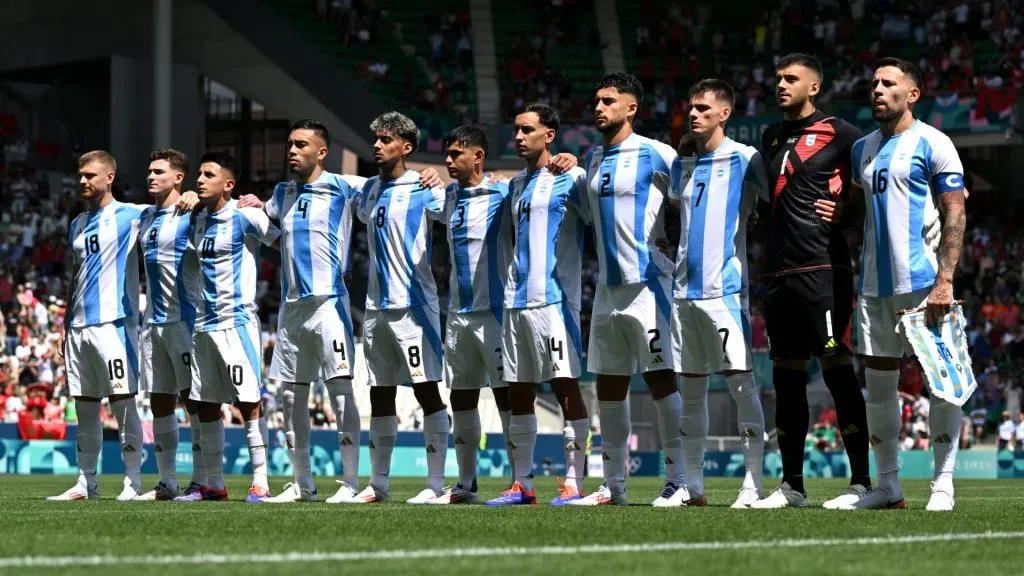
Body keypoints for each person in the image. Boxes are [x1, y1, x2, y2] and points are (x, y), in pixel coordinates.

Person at [237, 120, 441, 504]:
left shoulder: (347, 186)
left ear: (321, 152)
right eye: (290, 144)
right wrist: (246, 202)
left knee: (342, 393)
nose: (292, 151)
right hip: (291, 308)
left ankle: (350, 482)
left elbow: (394, 182)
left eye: (301, 145)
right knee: (292, 397)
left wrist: (429, 172)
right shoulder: (282, 193)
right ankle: (303, 483)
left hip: (331, 303)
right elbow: (264, 216)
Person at [840, 57, 968, 511]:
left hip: (925, 284)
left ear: (911, 95)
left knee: (941, 383)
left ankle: (943, 483)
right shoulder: (862, 150)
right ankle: (888, 486)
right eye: (873, 82)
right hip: (873, 285)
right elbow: (856, 211)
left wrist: (945, 280)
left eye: (888, 83)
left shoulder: (934, 142)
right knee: (877, 387)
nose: (877, 89)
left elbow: (955, 211)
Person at [751, 53, 872, 509]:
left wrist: (847, 213)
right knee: (786, 378)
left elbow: (869, 189)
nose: (780, 84)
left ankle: (861, 481)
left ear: (814, 87)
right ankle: (792, 486)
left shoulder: (842, 134)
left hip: (823, 269)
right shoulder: (771, 135)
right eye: (777, 78)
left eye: (790, 79)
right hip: (778, 274)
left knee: (838, 369)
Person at [571, 73, 687, 506]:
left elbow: (689, 201)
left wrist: (669, 251)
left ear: (631, 108)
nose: (598, 107)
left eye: (608, 101)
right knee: (609, 386)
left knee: (660, 380)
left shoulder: (658, 154)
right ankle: (612, 485)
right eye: (596, 100)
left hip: (649, 285)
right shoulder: (594, 158)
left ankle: (677, 479)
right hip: (606, 289)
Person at [666, 79, 768, 509]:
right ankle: (693, 485)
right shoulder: (680, 166)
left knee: (741, 386)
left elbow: (781, 200)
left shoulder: (747, 159)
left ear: (724, 113)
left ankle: (752, 483)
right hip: (682, 294)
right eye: (692, 107)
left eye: (704, 108)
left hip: (724, 293)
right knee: (690, 392)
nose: (694, 114)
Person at [485, 104, 591, 507]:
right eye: (515, 129)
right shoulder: (514, 187)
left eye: (527, 129)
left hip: (555, 301)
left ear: (550, 135)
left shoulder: (572, 177)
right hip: (515, 302)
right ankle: (523, 483)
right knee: (520, 391)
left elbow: (601, 212)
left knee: (566, 387)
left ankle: (573, 481)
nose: (518, 136)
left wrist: (579, 161)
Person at [347, 112, 450, 504]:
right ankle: (379, 484)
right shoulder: (369, 190)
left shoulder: (424, 187)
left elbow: (454, 208)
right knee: (380, 392)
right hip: (376, 307)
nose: (376, 145)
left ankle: (436, 484)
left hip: (415, 306)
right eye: (375, 138)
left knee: (427, 391)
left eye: (386, 139)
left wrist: (439, 177)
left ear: (406, 147)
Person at [48, 150, 152, 501]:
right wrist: (64, 322)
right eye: (80, 176)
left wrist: (186, 196)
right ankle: (85, 482)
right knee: (85, 406)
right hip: (79, 326)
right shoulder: (77, 223)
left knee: (123, 402)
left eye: (90, 175)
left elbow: (171, 209)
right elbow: (75, 275)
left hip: (114, 324)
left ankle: (132, 482)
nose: (83, 181)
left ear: (109, 177)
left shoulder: (132, 214)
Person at [182, 152, 280, 503]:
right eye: (199, 173)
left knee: (248, 401)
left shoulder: (246, 218)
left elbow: (284, 242)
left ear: (228, 184)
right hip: (203, 325)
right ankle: (214, 484)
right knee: (206, 403)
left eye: (209, 174)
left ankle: (260, 481)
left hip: (236, 323)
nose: (200, 179)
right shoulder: (196, 220)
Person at [426, 125, 512, 504]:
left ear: (477, 156)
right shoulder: (447, 196)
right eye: (446, 154)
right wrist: (424, 176)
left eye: (456, 154)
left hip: (495, 314)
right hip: (458, 316)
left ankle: (519, 480)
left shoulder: (504, 191)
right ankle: (466, 483)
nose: (448, 161)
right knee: (461, 397)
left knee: (507, 396)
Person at [134, 149, 202, 501]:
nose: (150, 176)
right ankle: (167, 481)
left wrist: (197, 197)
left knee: (195, 402)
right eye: (148, 171)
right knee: (160, 400)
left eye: (158, 171)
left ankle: (202, 480)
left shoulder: (191, 212)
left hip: (184, 320)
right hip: (152, 325)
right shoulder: (145, 217)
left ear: (178, 177)